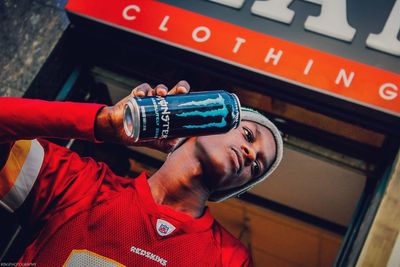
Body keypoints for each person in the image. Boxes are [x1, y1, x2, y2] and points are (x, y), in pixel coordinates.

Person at [0, 81, 283, 266]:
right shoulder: (82, 185)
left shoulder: (228, 258)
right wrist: (103, 123)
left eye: (256, 166)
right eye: (248, 134)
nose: (250, 154)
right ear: (203, 119)